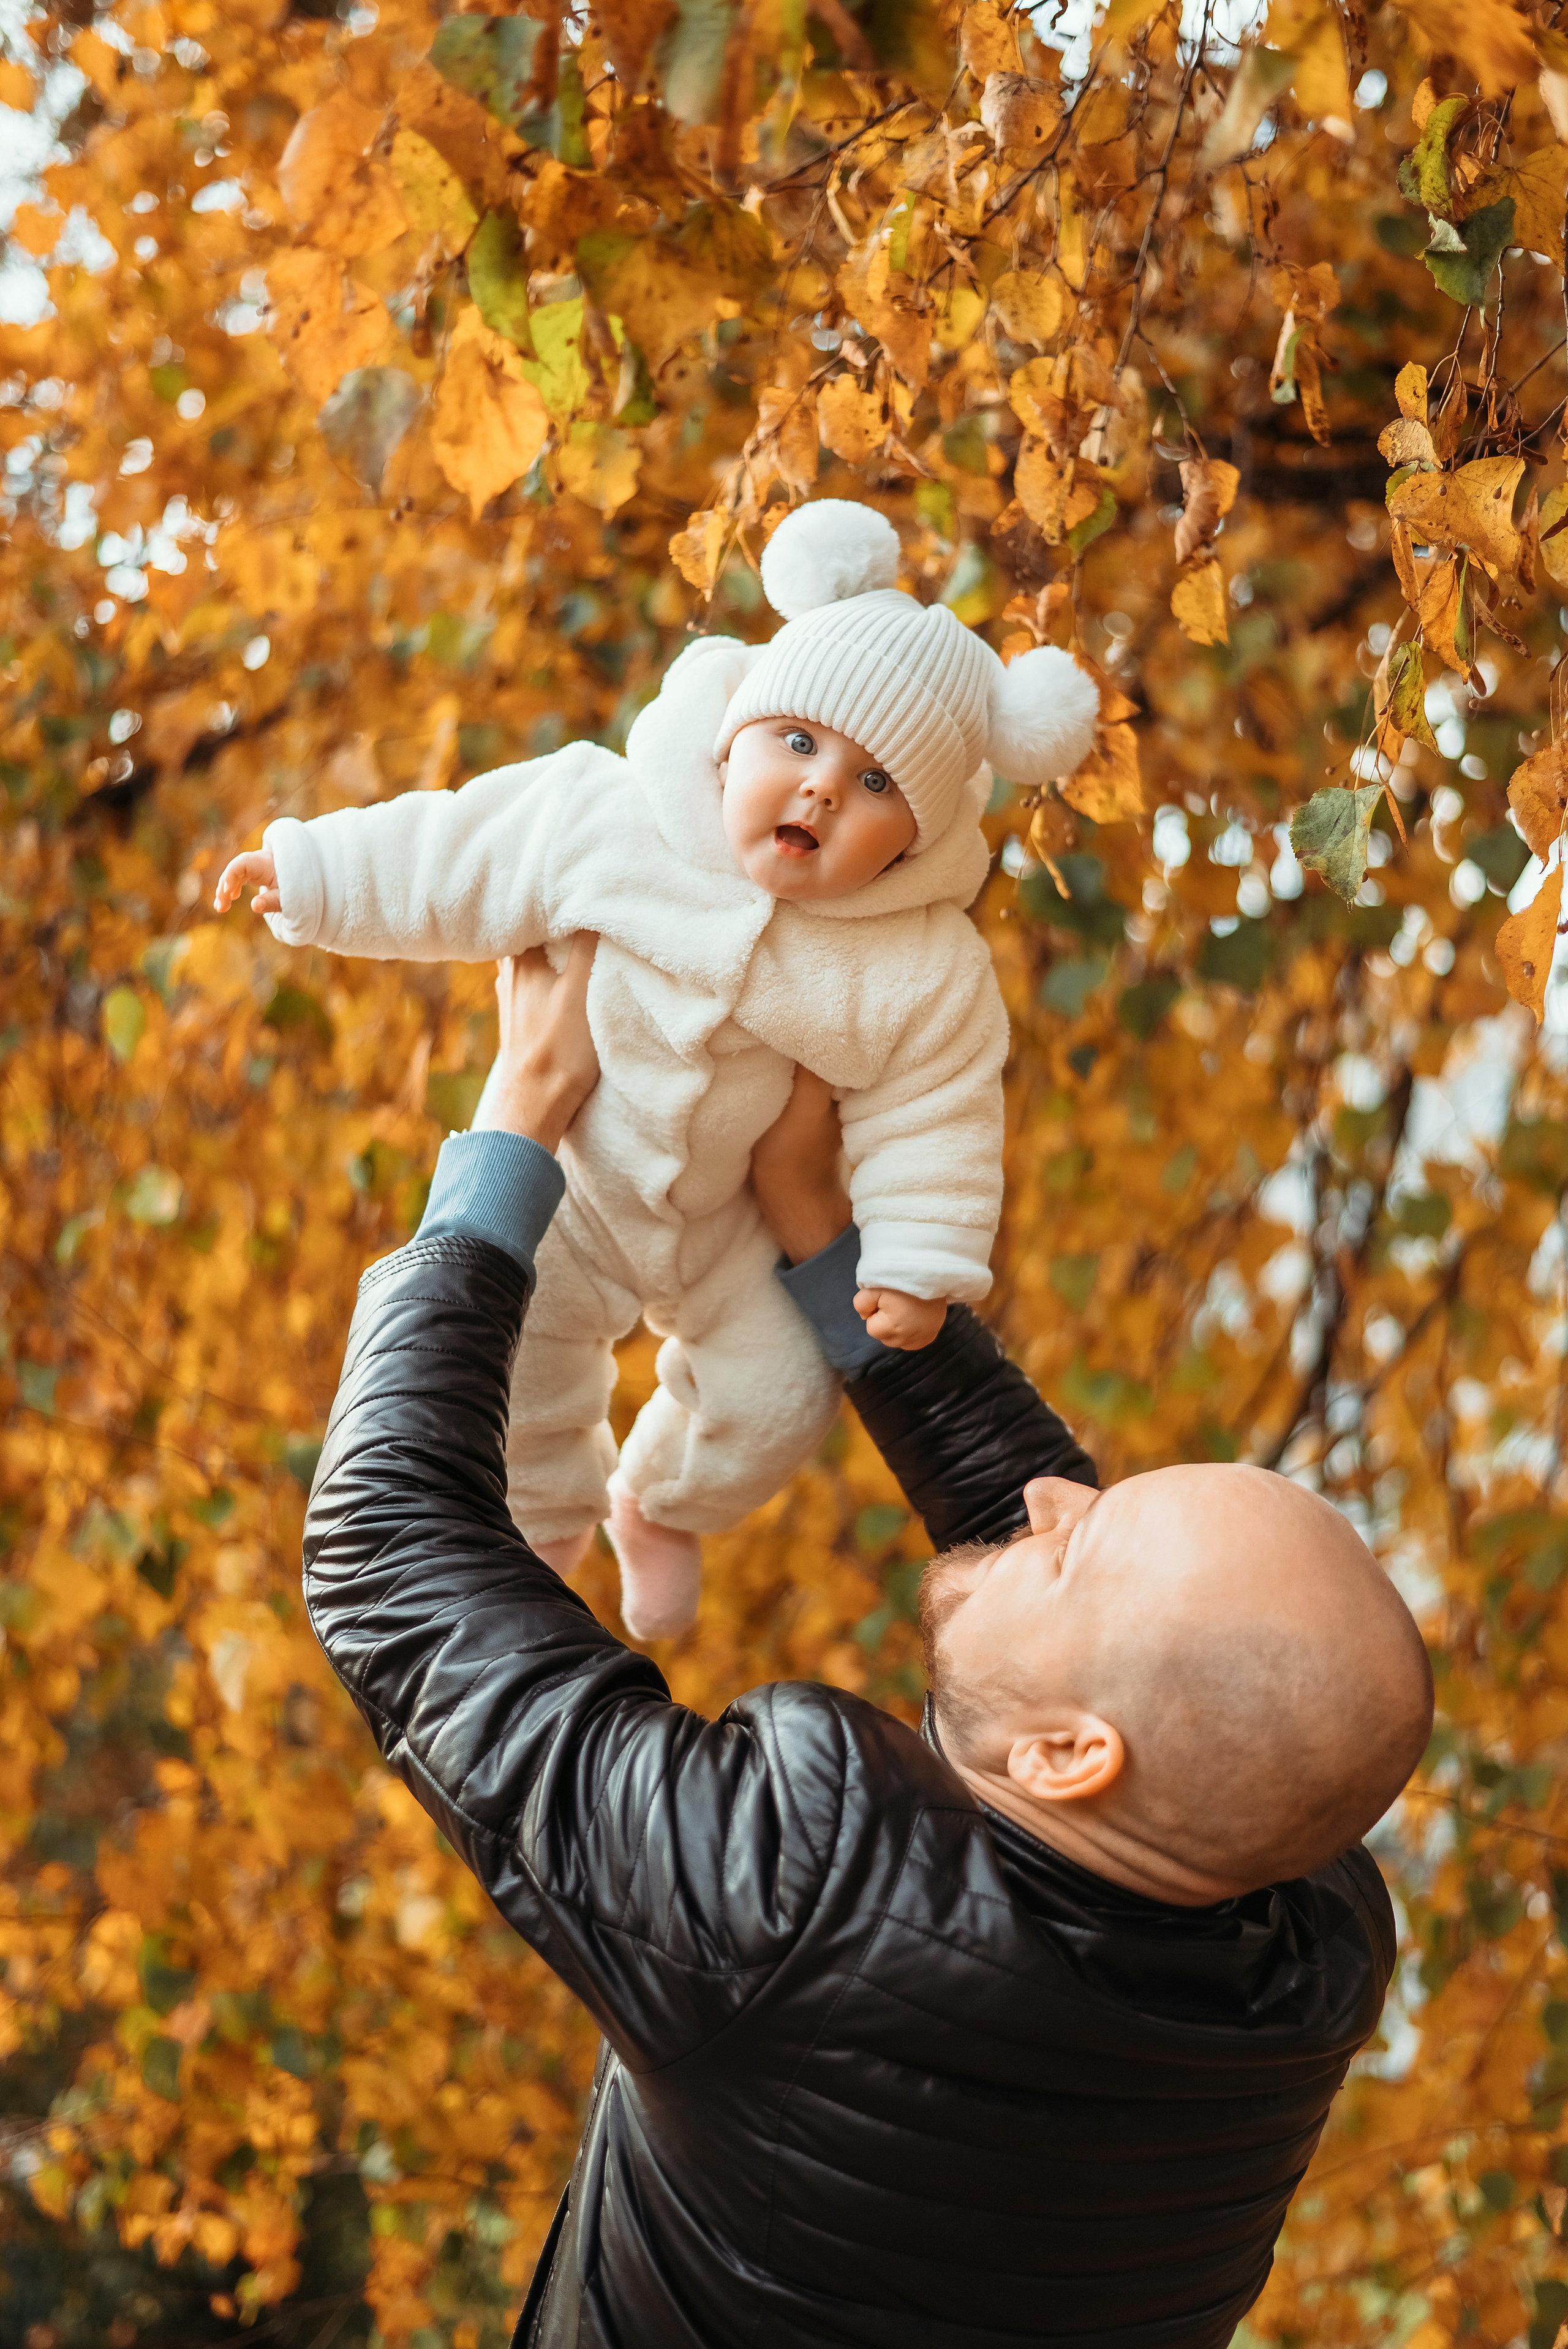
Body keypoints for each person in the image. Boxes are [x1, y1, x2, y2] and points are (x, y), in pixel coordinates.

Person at [303, 940, 1434, 2349]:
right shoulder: (1292, 1936)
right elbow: (1104, 1646)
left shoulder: (792, 1904)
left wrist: (515, 1119)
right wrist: (824, 1238)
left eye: (1076, 1538)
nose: (1048, 1492)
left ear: (1075, 1759)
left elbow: (386, 1558)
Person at [213, 499, 1099, 1640]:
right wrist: (313, 872)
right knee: (523, 1352)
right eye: (800, 742)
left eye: (879, 786)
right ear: (732, 737)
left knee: (781, 1395)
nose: (824, 787)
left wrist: (923, 1257)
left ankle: (661, 1501)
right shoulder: (609, 816)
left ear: (916, 844)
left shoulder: (917, 963)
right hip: (579, 1185)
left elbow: (938, 1103)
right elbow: (453, 853)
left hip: (733, 1228)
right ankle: (544, 1528)